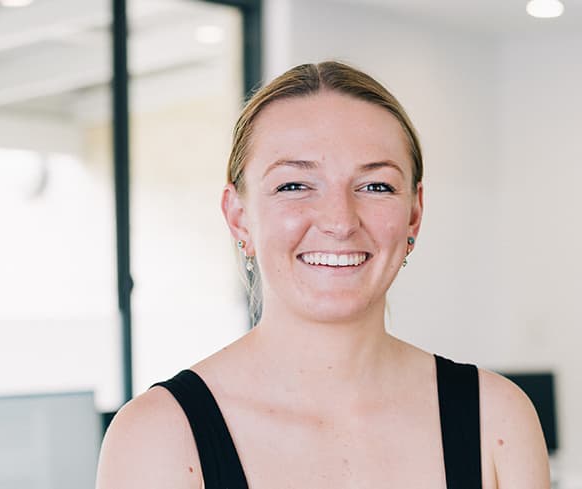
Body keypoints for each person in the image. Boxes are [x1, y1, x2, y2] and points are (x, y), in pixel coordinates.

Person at [95, 61, 550, 489]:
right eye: (294, 185)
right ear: (239, 217)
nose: (340, 220)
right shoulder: (157, 437)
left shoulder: (497, 419)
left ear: (414, 215)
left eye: (376, 186)